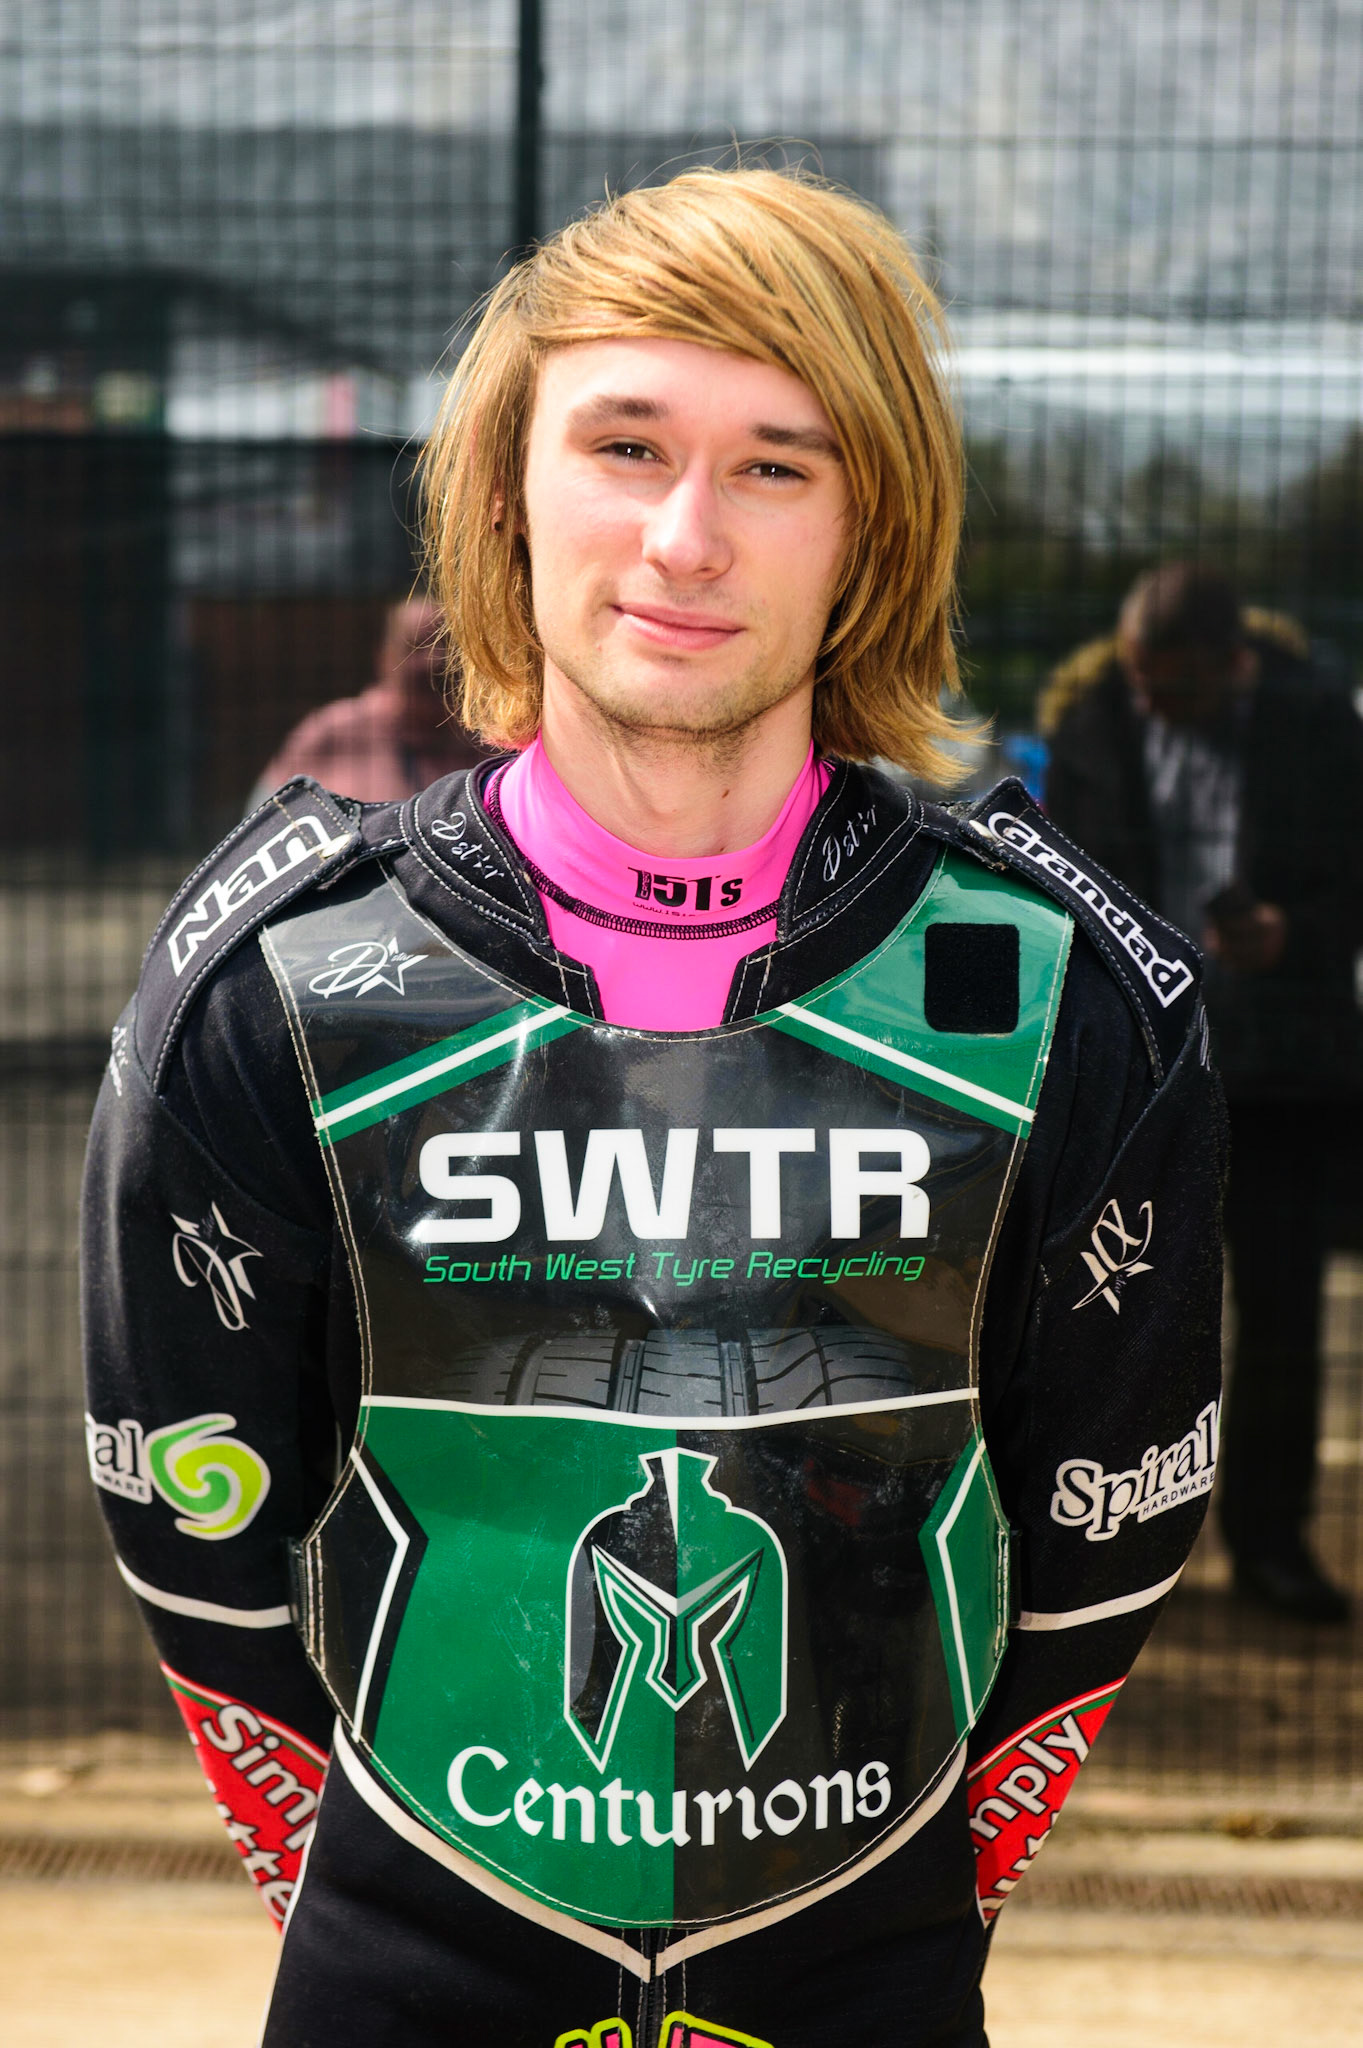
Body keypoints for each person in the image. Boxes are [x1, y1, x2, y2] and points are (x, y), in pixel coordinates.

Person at [83, 171, 1223, 2048]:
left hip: (872, 1964)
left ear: (870, 528)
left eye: (778, 464)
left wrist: (890, 1906)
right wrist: (403, 1906)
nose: (685, 536)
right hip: (407, 1963)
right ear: (506, 490)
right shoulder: (264, 985)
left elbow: (1101, 1540)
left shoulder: (1073, 994)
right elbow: (194, 1545)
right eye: (625, 443)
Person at [1043, 561, 1363, 1624]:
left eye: (1171, 688)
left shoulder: (1321, 726)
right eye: (1138, 681)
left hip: (1279, 1069)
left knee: (1279, 1320)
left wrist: (1293, 934)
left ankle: (1269, 1547)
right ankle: (1121, 1549)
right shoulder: (1090, 724)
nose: (1149, 706)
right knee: (1123, 1321)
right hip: (1141, 1074)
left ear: (1233, 666)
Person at [249, 591, 491, 806]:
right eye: (417, 646)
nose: (434, 661)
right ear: (385, 657)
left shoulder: (485, 741)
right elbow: (263, 818)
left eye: (445, 645)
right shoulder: (334, 730)